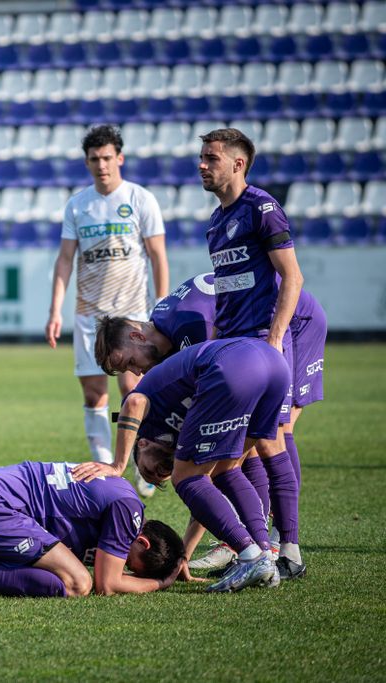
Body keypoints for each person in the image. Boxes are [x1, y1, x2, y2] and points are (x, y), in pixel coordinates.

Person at [94, 275, 324, 578]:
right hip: (256, 349)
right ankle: (259, 545)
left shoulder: (190, 327)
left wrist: (118, 464)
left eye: (129, 362)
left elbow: (135, 403)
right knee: (237, 452)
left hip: (289, 319)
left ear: (136, 336)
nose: (135, 372)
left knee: (271, 439)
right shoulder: (168, 328)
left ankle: (277, 546)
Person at [76, 338, 290, 593]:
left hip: (236, 363)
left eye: (148, 471)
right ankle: (265, 556)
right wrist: (182, 557)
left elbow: (133, 403)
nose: (160, 473)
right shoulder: (178, 434)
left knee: (188, 477)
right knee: (226, 469)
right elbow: (205, 500)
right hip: (275, 365)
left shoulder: (146, 420)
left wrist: (118, 464)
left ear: (141, 445)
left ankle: (251, 556)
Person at [197, 128, 306, 579]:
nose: (203, 165)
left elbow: (292, 278)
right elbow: (226, 295)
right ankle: (260, 545)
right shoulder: (215, 223)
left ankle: (286, 549)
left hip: (263, 343)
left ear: (238, 164)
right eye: (201, 158)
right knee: (243, 450)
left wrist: (275, 339)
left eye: (211, 158)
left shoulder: (262, 208)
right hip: (234, 347)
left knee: (265, 441)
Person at [44, 124, 168, 494]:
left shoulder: (140, 199)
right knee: (94, 394)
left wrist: (161, 304)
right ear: (87, 162)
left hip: (132, 315)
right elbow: (65, 259)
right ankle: (102, 465)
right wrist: (55, 310)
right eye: (94, 159)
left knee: (135, 391)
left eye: (107, 157)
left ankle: (143, 461)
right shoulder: (78, 205)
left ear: (120, 158)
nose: (101, 165)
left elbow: (157, 254)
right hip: (89, 316)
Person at [0, 461, 184, 601]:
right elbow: (106, 585)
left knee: (53, 573)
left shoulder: (122, 497)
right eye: (130, 567)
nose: (124, 570)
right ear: (143, 542)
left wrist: (177, 559)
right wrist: (158, 583)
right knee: (77, 583)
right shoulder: (128, 509)